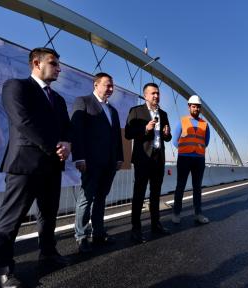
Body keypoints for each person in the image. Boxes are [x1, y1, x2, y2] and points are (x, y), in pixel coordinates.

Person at [0, 47, 71, 288]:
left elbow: (66, 127)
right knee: (11, 218)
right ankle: (4, 270)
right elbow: (22, 121)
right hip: (25, 164)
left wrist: (67, 144)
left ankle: (48, 253)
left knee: (48, 214)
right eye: (53, 63)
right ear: (36, 63)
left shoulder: (57, 99)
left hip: (51, 166)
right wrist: (53, 147)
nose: (58, 68)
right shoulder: (16, 87)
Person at [71, 72, 123, 253]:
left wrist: (119, 157)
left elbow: (116, 137)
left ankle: (98, 232)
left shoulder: (113, 111)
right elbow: (76, 131)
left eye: (112, 86)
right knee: (86, 198)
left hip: (109, 162)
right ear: (96, 85)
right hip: (90, 161)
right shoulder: (83, 102)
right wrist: (79, 157)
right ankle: (81, 236)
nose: (110, 88)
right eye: (107, 85)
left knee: (101, 198)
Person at [125, 82, 172, 243]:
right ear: (145, 95)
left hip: (159, 158)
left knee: (155, 194)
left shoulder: (164, 114)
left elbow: (168, 137)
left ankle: (155, 225)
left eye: (157, 93)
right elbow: (129, 134)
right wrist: (145, 129)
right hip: (143, 158)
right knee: (139, 194)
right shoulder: (136, 111)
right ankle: (136, 229)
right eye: (152, 93)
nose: (156, 96)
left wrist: (167, 134)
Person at [171, 95, 210, 225]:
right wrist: (185, 149)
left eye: (198, 107)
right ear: (189, 107)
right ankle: (176, 213)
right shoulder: (181, 122)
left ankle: (198, 214)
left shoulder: (205, 125)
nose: (196, 109)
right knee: (180, 186)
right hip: (184, 159)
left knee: (197, 187)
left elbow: (206, 142)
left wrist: (196, 149)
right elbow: (175, 141)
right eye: (194, 106)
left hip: (199, 159)